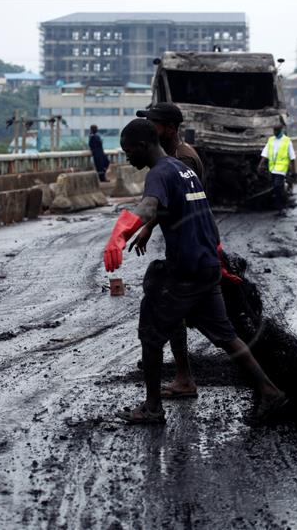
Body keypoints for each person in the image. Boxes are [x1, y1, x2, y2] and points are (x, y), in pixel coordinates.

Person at [102, 119, 287, 424]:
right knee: (226, 336)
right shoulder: (182, 169)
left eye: (128, 151)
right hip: (206, 266)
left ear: (144, 145)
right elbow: (198, 213)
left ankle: (152, 407)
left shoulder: (159, 173)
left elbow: (148, 206)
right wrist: (215, 256)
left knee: (150, 335)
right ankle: (269, 391)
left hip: (185, 270)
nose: (127, 158)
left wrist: (120, 234)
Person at [132, 101, 204, 399]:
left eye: (154, 124)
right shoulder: (176, 156)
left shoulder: (181, 160)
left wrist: (139, 225)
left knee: (172, 314)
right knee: (211, 324)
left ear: (170, 129)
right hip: (188, 247)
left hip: (191, 250)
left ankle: (179, 379)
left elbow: (177, 204)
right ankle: (183, 374)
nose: (150, 128)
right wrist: (150, 228)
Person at [258, 124, 296, 216]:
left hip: (281, 169)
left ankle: (282, 207)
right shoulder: (271, 140)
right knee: (276, 189)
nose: (275, 132)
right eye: (274, 130)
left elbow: (292, 158)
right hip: (272, 169)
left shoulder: (287, 141)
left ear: (281, 130)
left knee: (277, 186)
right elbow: (265, 154)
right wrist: (260, 165)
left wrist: (294, 172)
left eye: (277, 130)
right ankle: (280, 207)